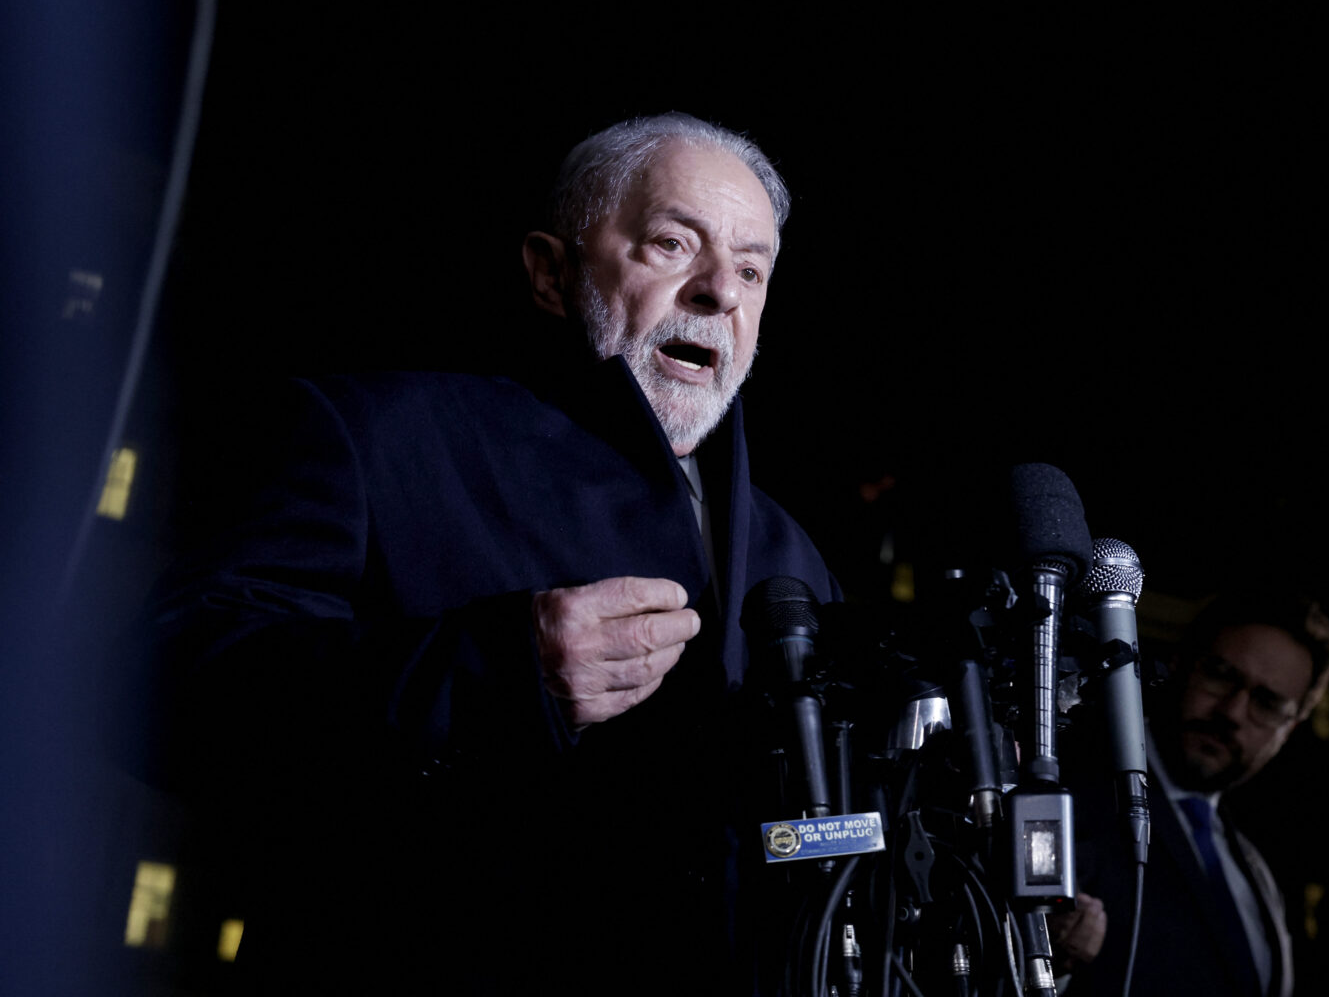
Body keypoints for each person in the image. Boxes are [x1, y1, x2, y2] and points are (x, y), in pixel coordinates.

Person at [151, 113, 837, 994]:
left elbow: (805, 841)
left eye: (752, 268)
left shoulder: (794, 554)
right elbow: (172, 683)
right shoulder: (376, 438)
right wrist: (498, 673)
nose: (721, 293)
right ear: (552, 273)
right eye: (672, 245)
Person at [1061, 590, 1329, 997]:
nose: (1232, 712)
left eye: (1267, 701)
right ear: (1179, 663)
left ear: (1290, 728)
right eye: (1221, 674)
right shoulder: (1073, 799)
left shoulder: (1257, 869)